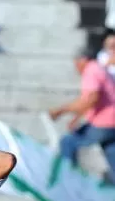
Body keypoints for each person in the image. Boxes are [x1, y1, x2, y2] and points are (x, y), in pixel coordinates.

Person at [49, 47, 115, 179]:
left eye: (76, 64)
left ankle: (68, 180)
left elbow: (92, 98)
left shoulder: (91, 70)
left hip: (104, 124)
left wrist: (61, 110)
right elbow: (93, 101)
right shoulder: (101, 69)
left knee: (68, 142)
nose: (76, 68)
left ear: (83, 60)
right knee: (111, 151)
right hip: (112, 123)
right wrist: (76, 118)